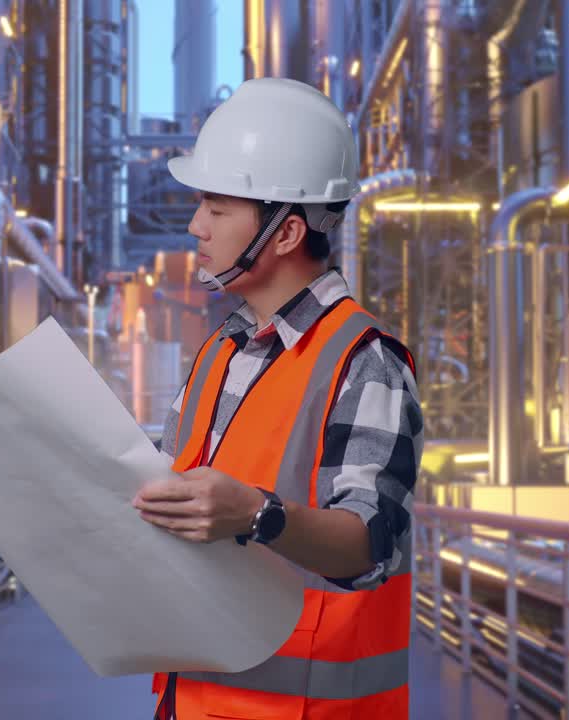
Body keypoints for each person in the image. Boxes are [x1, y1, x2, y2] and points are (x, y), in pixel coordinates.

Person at [131, 77, 425, 719]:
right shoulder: (220, 351)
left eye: (217, 206)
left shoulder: (364, 361)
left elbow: (368, 541)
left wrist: (256, 513)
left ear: (286, 233)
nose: (194, 225)